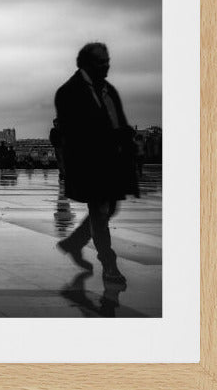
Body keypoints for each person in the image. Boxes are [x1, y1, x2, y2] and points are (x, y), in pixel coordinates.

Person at [54, 42, 139, 285]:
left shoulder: (107, 89)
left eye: (107, 60)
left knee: (109, 209)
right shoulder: (68, 92)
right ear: (87, 64)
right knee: (100, 212)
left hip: (111, 162)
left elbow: (116, 121)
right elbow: (75, 134)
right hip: (90, 164)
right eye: (101, 62)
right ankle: (109, 264)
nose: (107, 65)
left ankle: (74, 243)